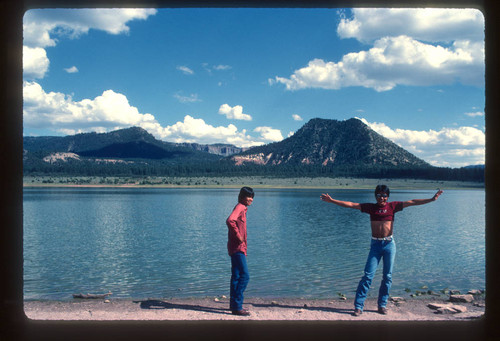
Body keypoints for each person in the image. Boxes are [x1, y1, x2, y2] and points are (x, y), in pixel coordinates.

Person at [320, 185, 443, 316]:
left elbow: (412, 202)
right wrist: (332, 201)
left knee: (387, 277)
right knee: (367, 276)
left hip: (389, 244)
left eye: (384, 195)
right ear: (376, 196)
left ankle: (382, 305)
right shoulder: (371, 208)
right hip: (375, 245)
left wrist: (431, 199)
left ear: (387, 197)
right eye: (379, 195)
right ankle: (358, 306)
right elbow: (351, 204)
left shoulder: (392, 206)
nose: (382, 198)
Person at [226, 186, 255, 316]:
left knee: (237, 276)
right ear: (242, 197)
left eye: (252, 197)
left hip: (235, 247)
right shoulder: (240, 207)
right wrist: (238, 236)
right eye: (249, 197)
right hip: (238, 247)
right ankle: (237, 306)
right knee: (245, 276)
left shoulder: (242, 208)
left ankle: (234, 306)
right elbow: (230, 220)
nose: (251, 199)